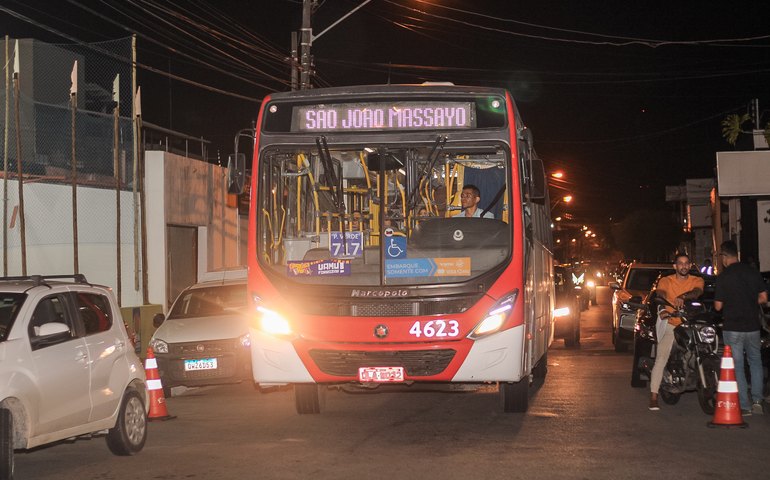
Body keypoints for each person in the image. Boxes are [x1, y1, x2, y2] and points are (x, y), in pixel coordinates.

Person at [713, 240, 769, 416]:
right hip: (752, 326)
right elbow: (764, 298)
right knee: (755, 362)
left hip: (733, 327)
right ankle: (758, 400)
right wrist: (750, 302)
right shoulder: (752, 272)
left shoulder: (724, 276)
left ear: (724, 256)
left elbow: (718, 306)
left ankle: (745, 406)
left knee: (737, 365)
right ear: (736, 254)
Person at [648, 252, 704, 411]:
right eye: (680, 263)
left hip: (691, 325)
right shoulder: (666, 281)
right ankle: (653, 395)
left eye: (687, 263)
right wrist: (664, 306)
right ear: (675, 266)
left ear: (690, 265)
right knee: (661, 356)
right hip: (672, 324)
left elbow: (697, 291)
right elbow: (661, 293)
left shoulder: (697, 280)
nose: (684, 266)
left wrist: (683, 296)